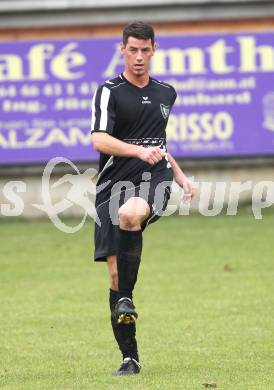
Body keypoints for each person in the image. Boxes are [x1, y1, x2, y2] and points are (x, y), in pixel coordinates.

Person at [90, 21, 195, 376]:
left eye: (144, 50)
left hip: (153, 178)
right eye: (132, 49)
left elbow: (158, 144)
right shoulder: (109, 91)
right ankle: (129, 357)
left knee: (131, 213)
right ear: (122, 49)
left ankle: (125, 299)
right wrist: (136, 151)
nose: (138, 57)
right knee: (116, 275)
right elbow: (99, 140)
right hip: (112, 182)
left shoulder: (167, 92)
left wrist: (178, 175)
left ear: (154, 50)